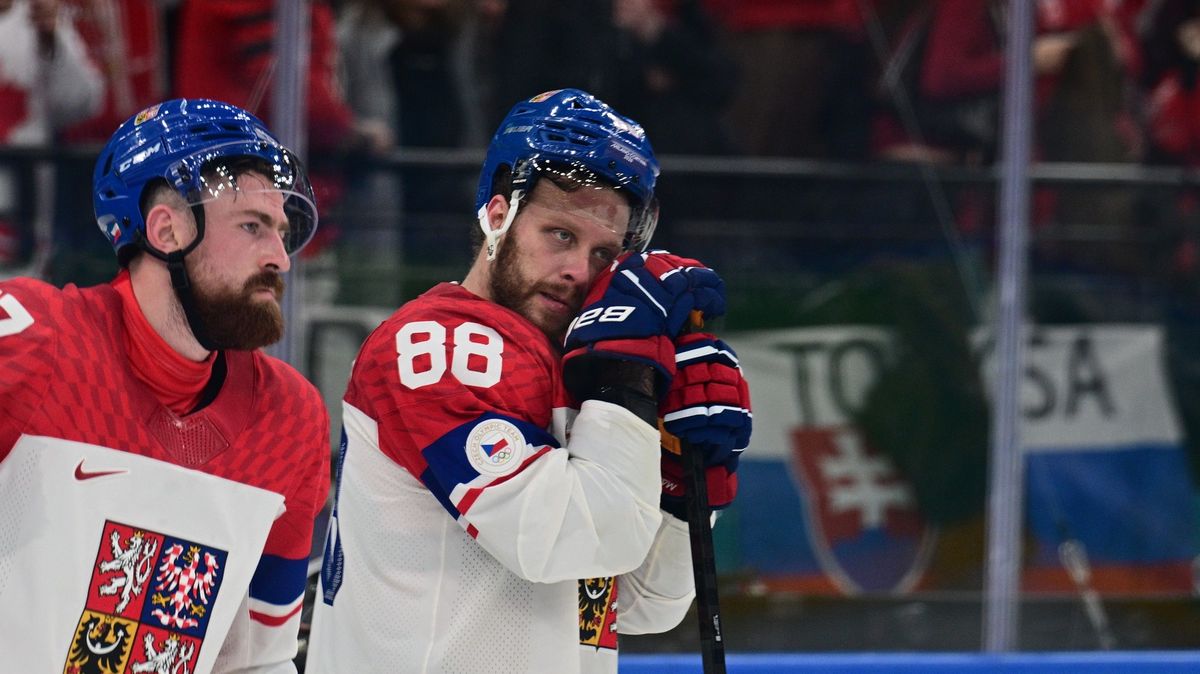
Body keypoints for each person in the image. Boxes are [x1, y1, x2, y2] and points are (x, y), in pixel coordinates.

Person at [305, 88, 752, 672]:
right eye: (561, 235)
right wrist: (627, 385)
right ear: (498, 214)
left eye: (603, 254)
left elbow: (644, 604)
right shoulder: (437, 344)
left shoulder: (578, 364)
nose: (577, 270)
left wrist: (684, 483)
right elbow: (572, 540)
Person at [0, 99, 330, 672]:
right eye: (252, 226)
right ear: (166, 229)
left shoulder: (290, 419)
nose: (281, 256)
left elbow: (258, 659)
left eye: (281, 232)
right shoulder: (33, 340)